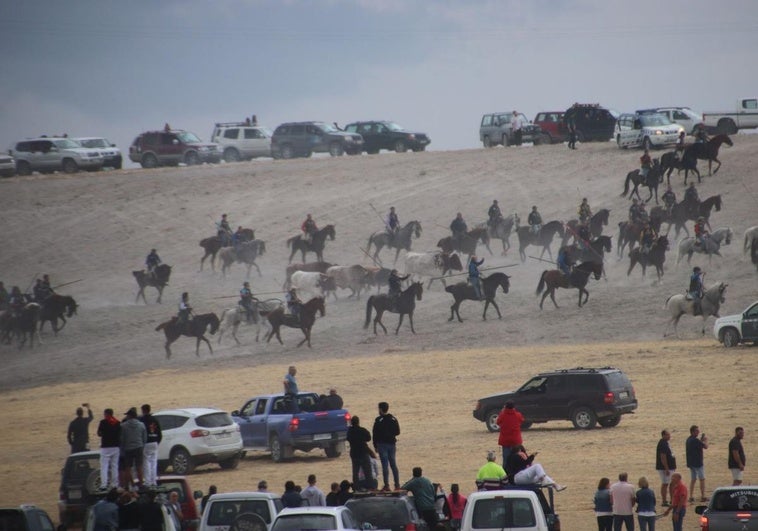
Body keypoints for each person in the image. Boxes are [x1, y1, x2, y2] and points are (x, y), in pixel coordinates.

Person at [373, 401, 401, 491]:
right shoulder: (393, 419)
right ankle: (397, 484)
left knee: (385, 465)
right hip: (392, 444)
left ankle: (387, 485)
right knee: (393, 464)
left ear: (381, 409)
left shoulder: (378, 420)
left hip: (382, 444)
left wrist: (375, 445)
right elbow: (398, 432)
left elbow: (375, 433)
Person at [120, 407, 147, 488]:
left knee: (128, 468)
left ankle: (129, 485)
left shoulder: (123, 426)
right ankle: (141, 484)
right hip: (139, 447)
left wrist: (123, 447)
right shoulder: (141, 425)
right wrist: (142, 445)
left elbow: (122, 439)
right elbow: (144, 437)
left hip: (128, 448)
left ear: (130, 416)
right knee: (139, 467)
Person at [346, 416, 373, 490]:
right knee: (367, 472)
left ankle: (356, 488)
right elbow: (368, 438)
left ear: (352, 422)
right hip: (363, 453)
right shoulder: (362, 430)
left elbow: (348, 438)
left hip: (354, 454)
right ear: (358, 422)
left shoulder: (350, 432)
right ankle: (370, 487)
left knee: (355, 473)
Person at [97, 408, 121, 490]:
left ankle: (104, 484)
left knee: (104, 466)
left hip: (105, 447)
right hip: (116, 447)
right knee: (115, 466)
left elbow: (99, 434)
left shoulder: (103, 422)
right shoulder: (117, 422)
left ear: (107, 414)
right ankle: (114, 484)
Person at [497, 401, 523, 468]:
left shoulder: (502, 415)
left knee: (506, 459)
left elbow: (498, 422)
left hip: (505, 440)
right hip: (516, 440)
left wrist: (502, 411)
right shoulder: (518, 415)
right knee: (517, 458)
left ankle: (506, 474)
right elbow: (521, 420)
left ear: (505, 407)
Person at [140, 404, 162, 487]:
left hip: (146, 442)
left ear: (143, 410)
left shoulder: (142, 420)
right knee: (154, 462)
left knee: (146, 463)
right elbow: (160, 433)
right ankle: (154, 481)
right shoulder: (155, 419)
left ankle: (148, 482)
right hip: (154, 442)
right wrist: (157, 441)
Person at [685, 425, 709, 503]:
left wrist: (701, 440)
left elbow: (698, 445)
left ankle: (691, 496)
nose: (698, 432)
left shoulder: (689, 439)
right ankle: (703, 496)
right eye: (696, 431)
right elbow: (705, 446)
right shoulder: (695, 440)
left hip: (691, 462)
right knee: (702, 479)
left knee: (693, 479)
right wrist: (705, 440)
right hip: (698, 463)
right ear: (692, 432)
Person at [656, 429, 677, 507]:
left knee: (671, 484)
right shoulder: (663, 444)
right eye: (667, 435)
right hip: (665, 468)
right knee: (665, 483)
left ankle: (672, 499)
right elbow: (663, 457)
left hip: (670, 467)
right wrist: (666, 468)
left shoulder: (666, 443)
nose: (669, 436)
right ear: (663, 435)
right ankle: (664, 501)